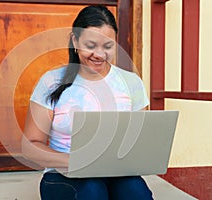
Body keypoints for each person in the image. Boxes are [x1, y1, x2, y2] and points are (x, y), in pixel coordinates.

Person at [22, 5, 153, 200]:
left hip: (116, 173)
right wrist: (76, 161)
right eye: (91, 46)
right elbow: (31, 145)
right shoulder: (51, 81)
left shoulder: (131, 82)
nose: (99, 54)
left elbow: (139, 141)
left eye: (108, 46)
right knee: (92, 191)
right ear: (75, 40)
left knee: (136, 192)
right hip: (63, 174)